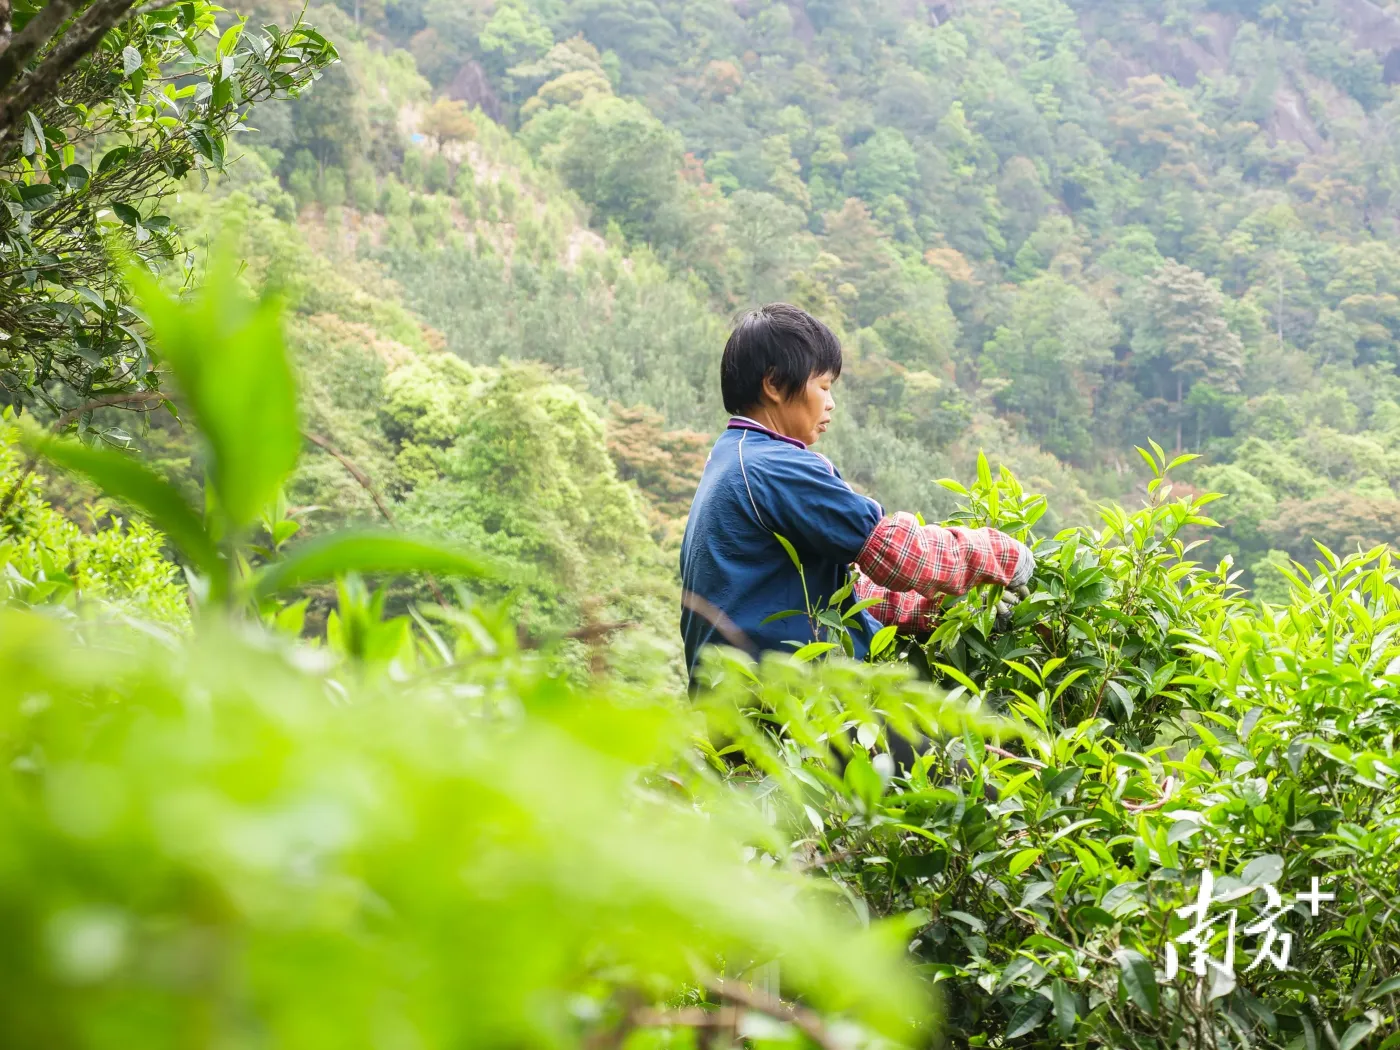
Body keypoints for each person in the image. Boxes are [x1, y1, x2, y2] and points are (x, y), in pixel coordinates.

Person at [680, 303, 1035, 683]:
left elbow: (839, 594)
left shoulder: (730, 457)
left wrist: (946, 609)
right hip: (791, 711)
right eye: (823, 387)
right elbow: (898, 553)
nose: (830, 402)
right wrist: (1003, 554)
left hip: (734, 709)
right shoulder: (776, 468)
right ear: (774, 385)